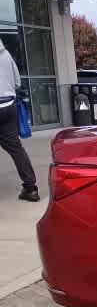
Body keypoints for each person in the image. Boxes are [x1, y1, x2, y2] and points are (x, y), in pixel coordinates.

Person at [0, 41, 37, 202]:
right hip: (9, 106)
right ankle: (31, 189)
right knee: (16, 148)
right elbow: (17, 82)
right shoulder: (6, 55)